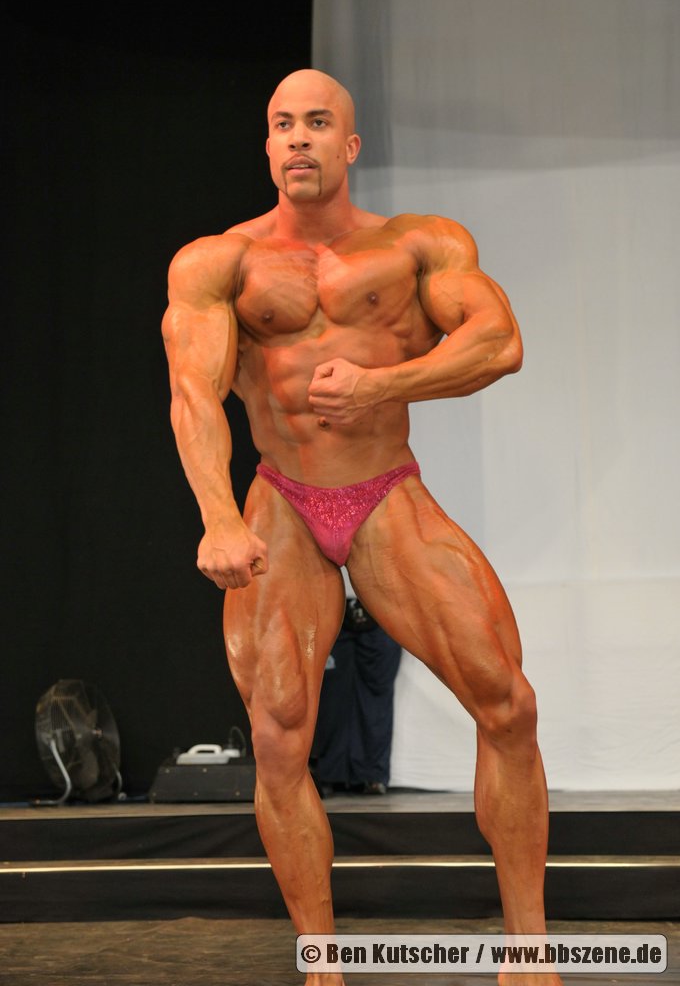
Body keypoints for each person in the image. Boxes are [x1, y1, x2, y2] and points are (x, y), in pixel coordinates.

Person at [161, 68, 561, 986]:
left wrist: (382, 385)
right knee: (278, 737)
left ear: (349, 145)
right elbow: (193, 395)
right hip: (281, 499)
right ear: (268, 146)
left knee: (508, 703)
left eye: (316, 123)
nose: (297, 138)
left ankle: (530, 950)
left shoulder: (418, 245)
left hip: (384, 491)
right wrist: (218, 517)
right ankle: (323, 964)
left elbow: (498, 342)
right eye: (281, 124)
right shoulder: (218, 264)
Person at [311, 574, 402, 798]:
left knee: (377, 695)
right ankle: (330, 774)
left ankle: (373, 774)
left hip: (382, 606)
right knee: (331, 695)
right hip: (331, 605)